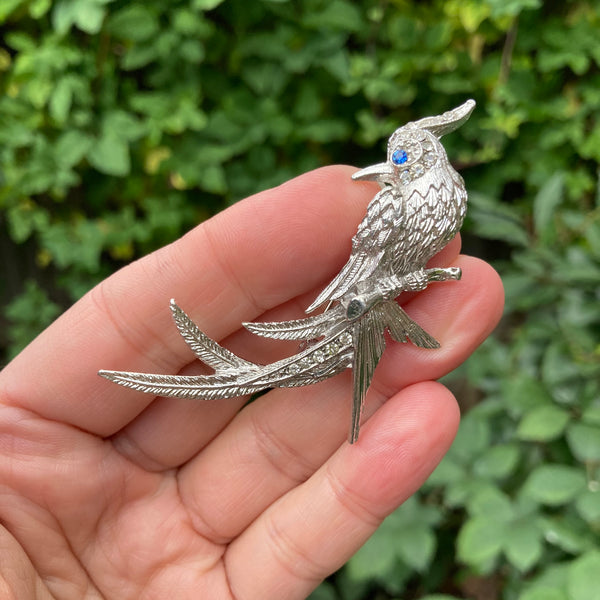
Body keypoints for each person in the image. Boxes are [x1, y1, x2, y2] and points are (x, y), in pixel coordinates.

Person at [0, 166, 504, 599]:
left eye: (399, 159)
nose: (386, 170)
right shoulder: (395, 208)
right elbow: (367, 275)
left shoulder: (428, 200)